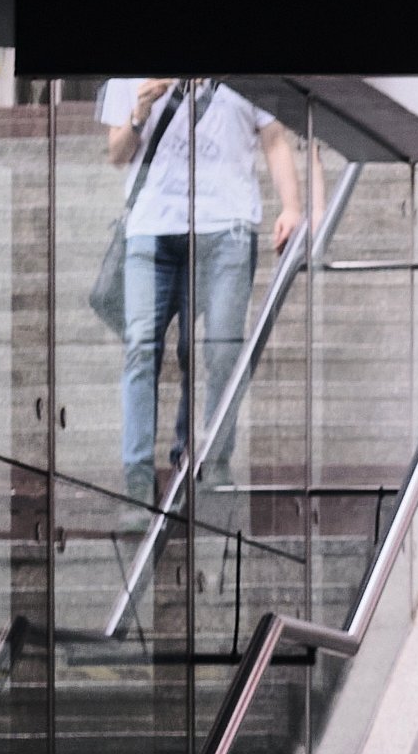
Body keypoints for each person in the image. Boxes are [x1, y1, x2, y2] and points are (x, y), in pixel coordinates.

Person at [100, 78, 305, 507]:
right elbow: (117, 155)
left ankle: (208, 462)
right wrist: (140, 112)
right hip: (151, 230)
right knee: (140, 346)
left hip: (225, 227)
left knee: (219, 349)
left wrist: (292, 206)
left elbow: (273, 138)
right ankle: (137, 479)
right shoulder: (129, 76)